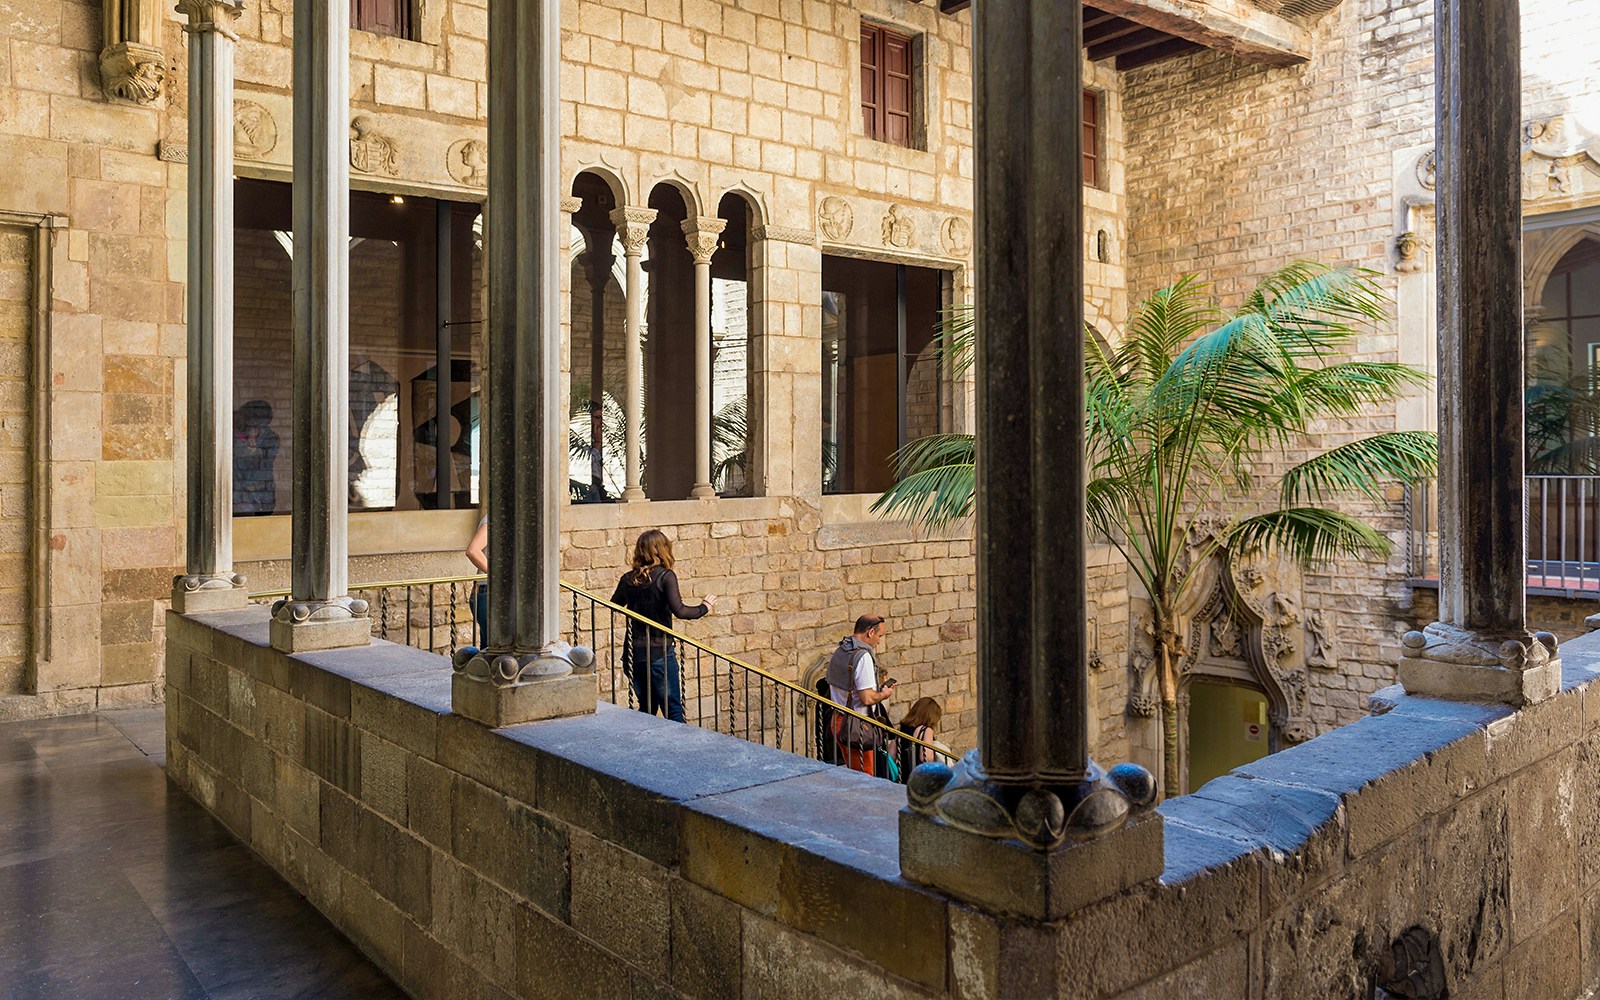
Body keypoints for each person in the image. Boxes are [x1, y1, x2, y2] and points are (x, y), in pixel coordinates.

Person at [610, 529, 716, 723]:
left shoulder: (628, 579)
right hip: (659, 652)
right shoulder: (666, 576)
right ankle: (678, 752)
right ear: (662, 550)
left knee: (647, 709)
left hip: (634, 654)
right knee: (673, 710)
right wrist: (704, 607)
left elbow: (614, 605)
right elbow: (681, 611)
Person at [826, 614, 896, 776]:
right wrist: (884, 694)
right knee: (865, 777)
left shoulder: (842, 650)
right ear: (870, 632)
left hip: (838, 719)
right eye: (879, 636)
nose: (879, 641)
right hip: (856, 726)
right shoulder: (863, 656)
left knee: (853, 771)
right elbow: (867, 698)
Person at [896, 697, 944, 782]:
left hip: (903, 776)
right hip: (918, 778)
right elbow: (926, 757)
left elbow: (891, 755)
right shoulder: (926, 730)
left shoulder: (901, 728)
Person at [464, 515, 489, 647]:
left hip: (500, 593)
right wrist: (500, 577)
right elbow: (473, 551)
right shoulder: (496, 517)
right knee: (495, 649)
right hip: (488, 593)